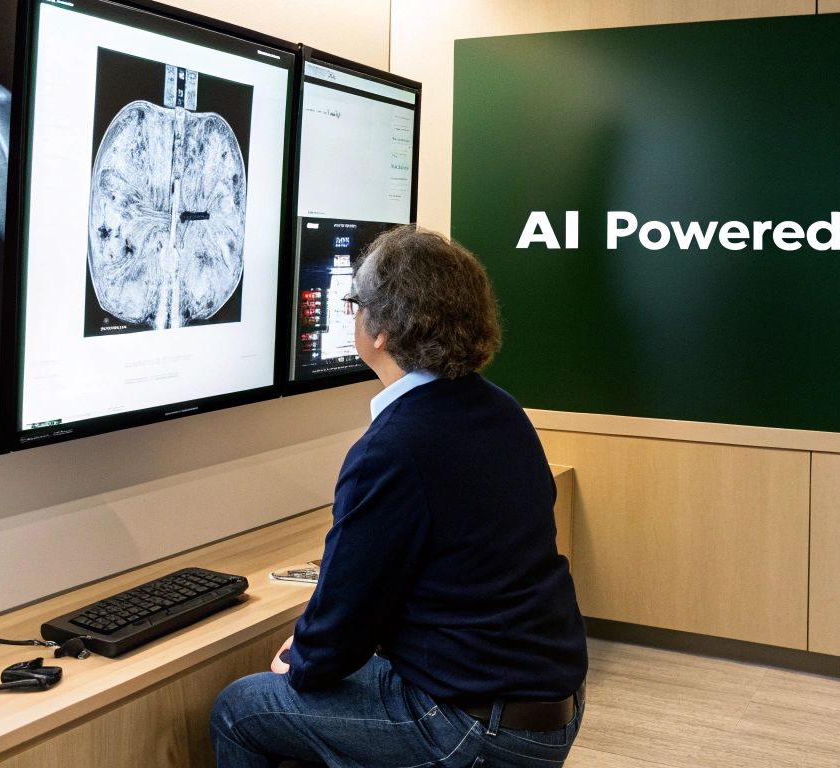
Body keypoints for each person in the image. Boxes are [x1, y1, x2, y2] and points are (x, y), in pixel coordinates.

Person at [210, 225, 587, 768]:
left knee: (242, 710)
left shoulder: (394, 446)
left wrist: (304, 661)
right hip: (551, 702)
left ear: (381, 330)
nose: (352, 315)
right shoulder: (500, 409)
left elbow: (345, 614)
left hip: (479, 727)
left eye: (354, 303)